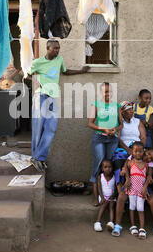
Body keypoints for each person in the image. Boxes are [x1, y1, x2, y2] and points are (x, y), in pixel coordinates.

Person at [28, 39, 89, 171]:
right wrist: (38, 82)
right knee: (38, 129)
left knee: (51, 128)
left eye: (58, 48)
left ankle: (39, 157)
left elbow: (65, 71)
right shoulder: (37, 62)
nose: (57, 50)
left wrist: (81, 71)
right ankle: (36, 157)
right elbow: (26, 74)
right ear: (48, 48)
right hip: (40, 96)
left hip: (52, 98)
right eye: (54, 48)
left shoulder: (59, 59)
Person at [88, 83, 123, 206]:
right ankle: (95, 195)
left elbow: (121, 124)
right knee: (99, 163)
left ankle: (108, 194)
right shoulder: (96, 105)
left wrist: (115, 129)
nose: (108, 94)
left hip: (112, 139)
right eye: (105, 92)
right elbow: (90, 123)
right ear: (100, 93)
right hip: (99, 138)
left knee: (109, 165)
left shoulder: (117, 105)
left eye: (110, 92)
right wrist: (103, 129)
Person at [123, 142, 148, 239]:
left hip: (141, 189)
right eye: (135, 151)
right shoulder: (131, 162)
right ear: (132, 152)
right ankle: (133, 226)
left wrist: (145, 188)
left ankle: (142, 228)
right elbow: (125, 167)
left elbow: (149, 177)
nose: (138, 153)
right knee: (132, 207)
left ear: (143, 152)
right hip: (132, 188)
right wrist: (127, 178)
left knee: (140, 208)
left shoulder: (146, 164)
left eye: (140, 151)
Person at [94, 159, 117, 232]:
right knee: (104, 204)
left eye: (110, 167)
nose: (108, 169)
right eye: (105, 167)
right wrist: (102, 197)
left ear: (112, 168)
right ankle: (98, 222)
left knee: (111, 207)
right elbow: (99, 188)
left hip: (112, 197)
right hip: (103, 196)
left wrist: (114, 195)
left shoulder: (114, 177)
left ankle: (111, 223)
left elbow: (116, 188)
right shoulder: (100, 177)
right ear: (102, 168)